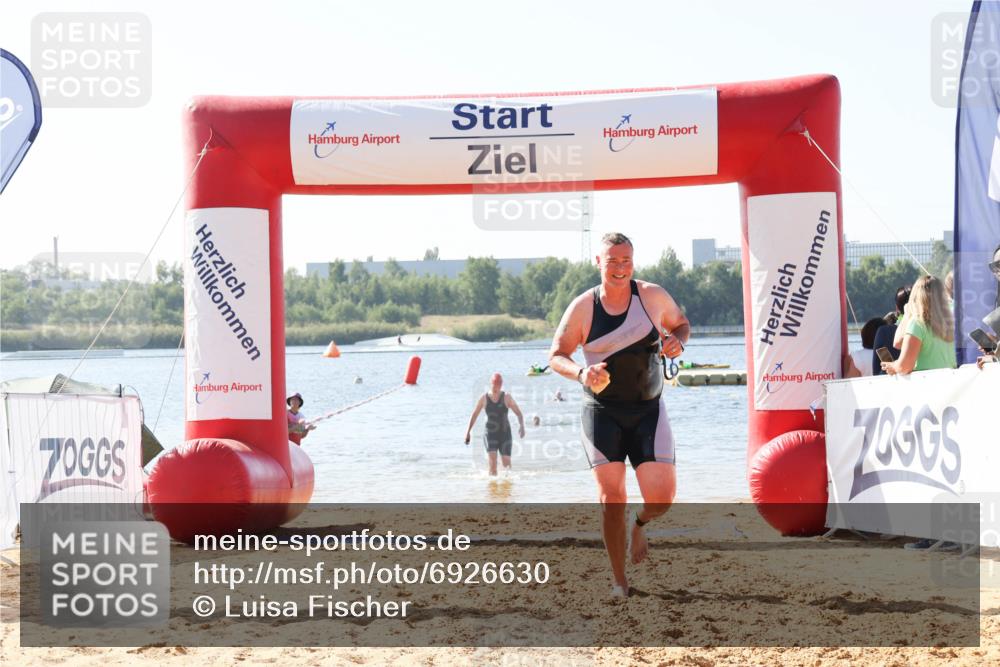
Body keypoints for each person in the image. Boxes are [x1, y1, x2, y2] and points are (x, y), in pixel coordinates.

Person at [549, 232, 688, 597]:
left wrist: (678, 342)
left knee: (661, 499)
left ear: (634, 262)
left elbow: (681, 324)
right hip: (602, 413)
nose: (620, 268)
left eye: (626, 261)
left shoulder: (652, 296)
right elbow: (557, 355)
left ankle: (639, 525)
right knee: (612, 499)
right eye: (613, 261)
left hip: (648, 411)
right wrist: (582, 373)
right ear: (599, 263)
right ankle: (619, 581)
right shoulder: (583, 307)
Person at [882, 275, 956, 377]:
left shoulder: (918, 324)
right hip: (951, 382)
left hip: (927, 384)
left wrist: (893, 366)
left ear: (916, 296)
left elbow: (905, 366)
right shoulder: (951, 323)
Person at [464, 373, 525, 476]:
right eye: (496, 384)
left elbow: (519, 413)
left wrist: (522, 426)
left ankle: (506, 490)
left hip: (505, 434)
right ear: (491, 383)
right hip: (490, 434)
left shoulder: (507, 397)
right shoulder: (484, 398)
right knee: (492, 466)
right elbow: (474, 415)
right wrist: (468, 432)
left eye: (500, 384)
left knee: (507, 467)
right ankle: (492, 490)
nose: (498, 386)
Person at [872, 286, 911, 376]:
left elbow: (876, 370)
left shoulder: (884, 332)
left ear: (897, 307)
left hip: (891, 383)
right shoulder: (928, 329)